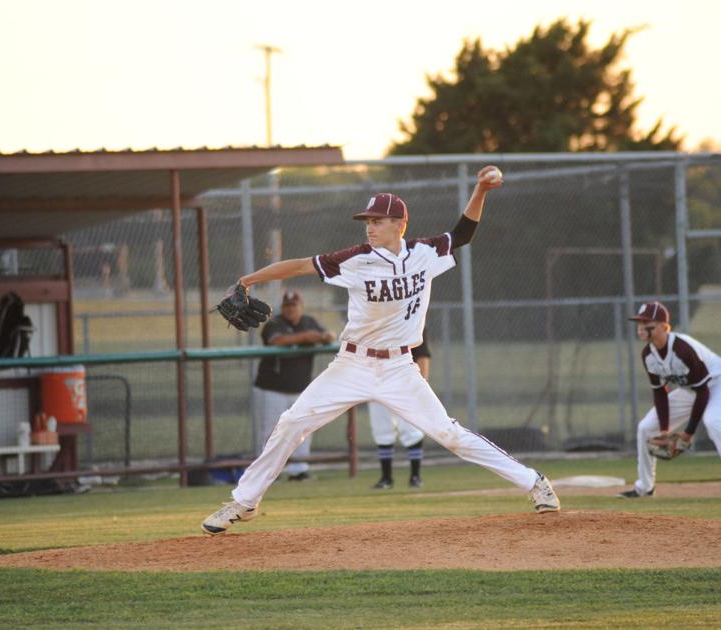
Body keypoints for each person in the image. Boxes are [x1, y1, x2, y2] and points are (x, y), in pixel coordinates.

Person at [201, 165, 560, 535]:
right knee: (292, 423)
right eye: (367, 221)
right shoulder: (356, 258)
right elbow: (298, 266)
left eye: (378, 220)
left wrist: (481, 189)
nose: (369, 227)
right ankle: (244, 503)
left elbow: (463, 233)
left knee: (448, 433)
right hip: (351, 365)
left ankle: (535, 483)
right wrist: (246, 280)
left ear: (399, 224)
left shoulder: (425, 252)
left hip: (399, 369)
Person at [617, 301, 721, 500]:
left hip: (720, 382)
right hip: (691, 390)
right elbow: (660, 392)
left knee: (714, 422)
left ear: (663, 326)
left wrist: (688, 434)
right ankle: (644, 487)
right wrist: (664, 430)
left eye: (647, 322)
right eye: (639, 323)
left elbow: (703, 391)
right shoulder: (648, 355)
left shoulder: (682, 349)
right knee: (645, 428)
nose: (641, 327)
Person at [252, 290, 335, 482]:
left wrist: (325, 336)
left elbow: (329, 334)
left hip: (300, 389)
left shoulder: (309, 321)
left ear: (301, 307)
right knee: (271, 432)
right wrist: (306, 337)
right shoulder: (274, 323)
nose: (290, 309)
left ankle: (299, 470)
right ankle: (267, 473)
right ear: (282, 308)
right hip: (271, 389)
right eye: (287, 306)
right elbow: (276, 340)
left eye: (294, 306)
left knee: (302, 429)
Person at [367, 329, 430, 489]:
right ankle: (386, 477)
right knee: (382, 430)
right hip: (377, 382)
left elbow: (422, 355)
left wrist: (421, 385)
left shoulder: (410, 319)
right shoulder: (371, 322)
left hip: (405, 383)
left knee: (411, 429)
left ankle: (415, 476)